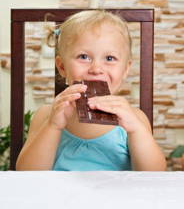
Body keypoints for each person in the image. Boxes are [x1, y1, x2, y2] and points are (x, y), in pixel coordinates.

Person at [16, 10, 166, 171]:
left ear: (125, 69)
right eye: (83, 57)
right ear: (61, 67)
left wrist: (136, 130)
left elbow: (154, 174)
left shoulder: (134, 118)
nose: (96, 69)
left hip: (115, 195)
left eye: (109, 58)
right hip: (59, 195)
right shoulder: (46, 115)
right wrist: (53, 126)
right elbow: (26, 173)